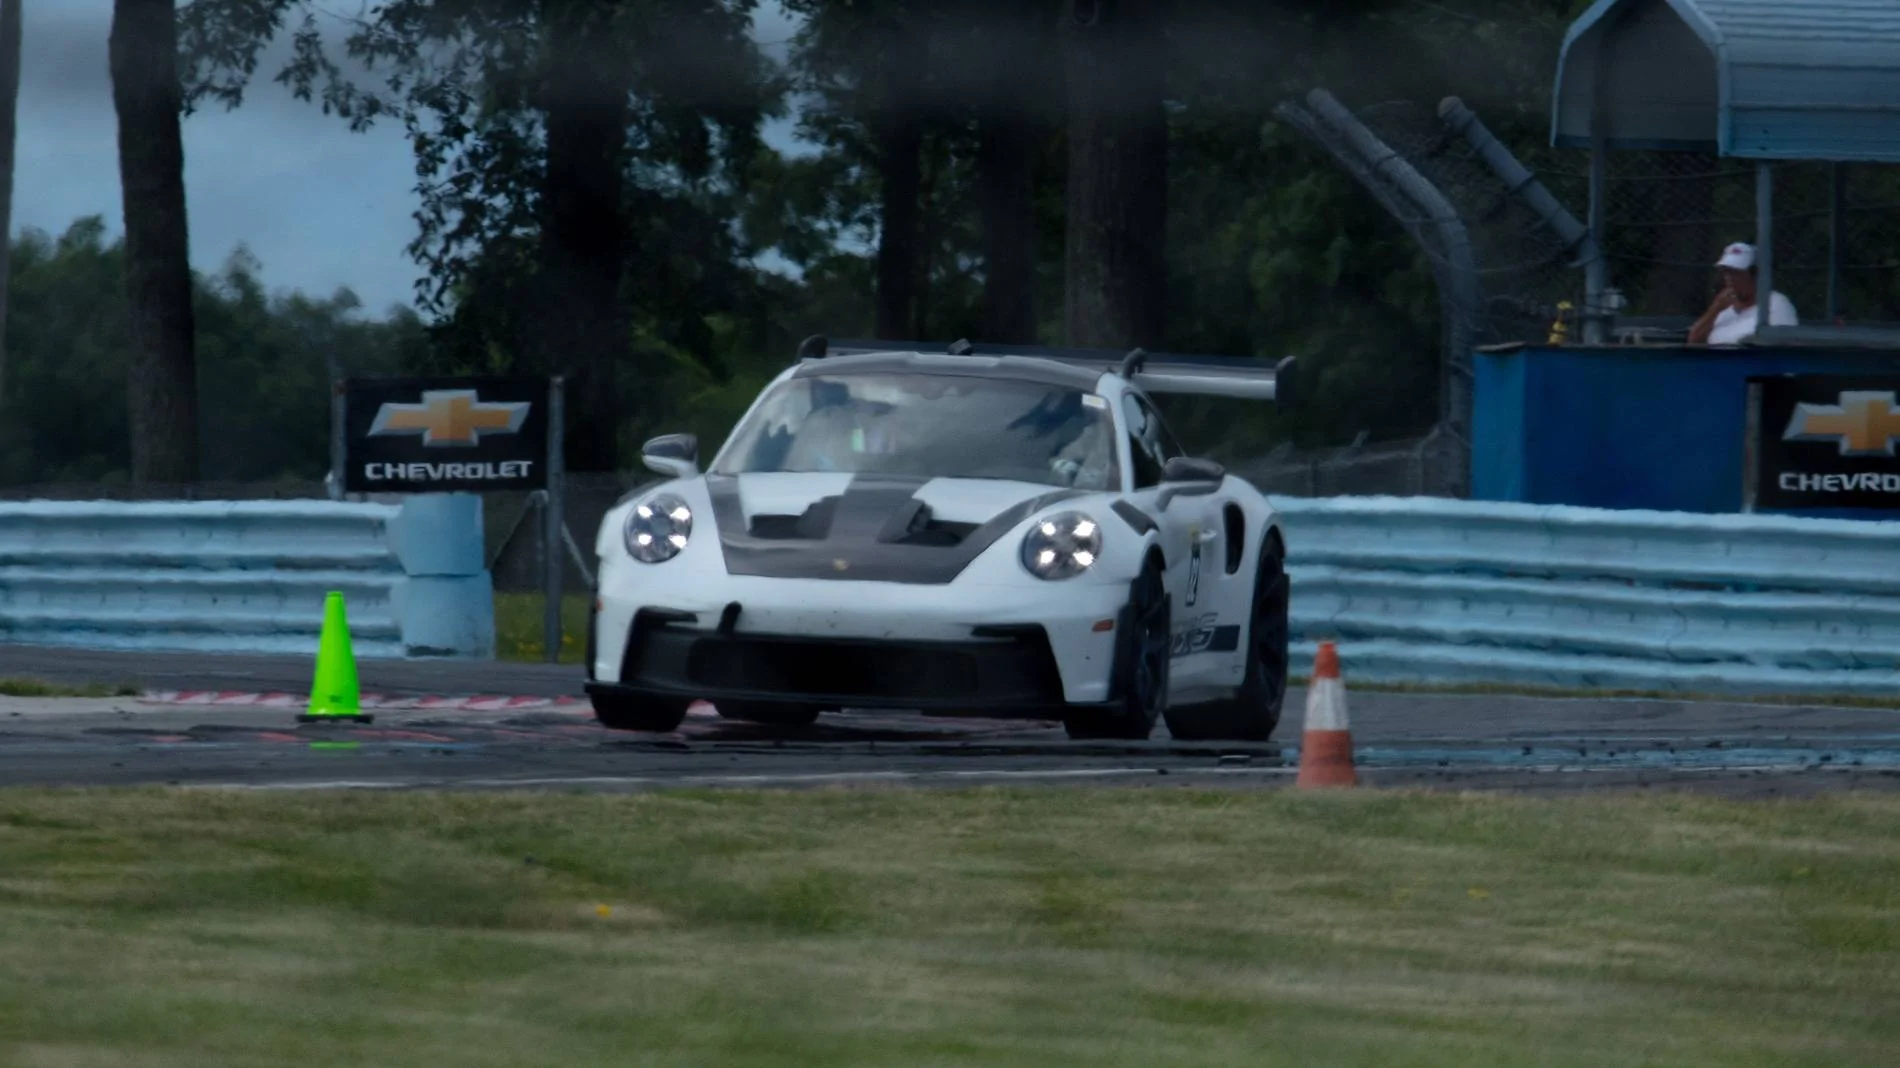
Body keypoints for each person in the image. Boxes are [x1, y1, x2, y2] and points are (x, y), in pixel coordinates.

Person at [1688, 242, 1798, 345]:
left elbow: (1781, 346)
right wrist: (1715, 308)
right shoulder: (1724, 310)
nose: (1729, 278)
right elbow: (1693, 340)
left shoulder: (1776, 304)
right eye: (1726, 272)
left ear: (1756, 275)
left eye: (1736, 273)